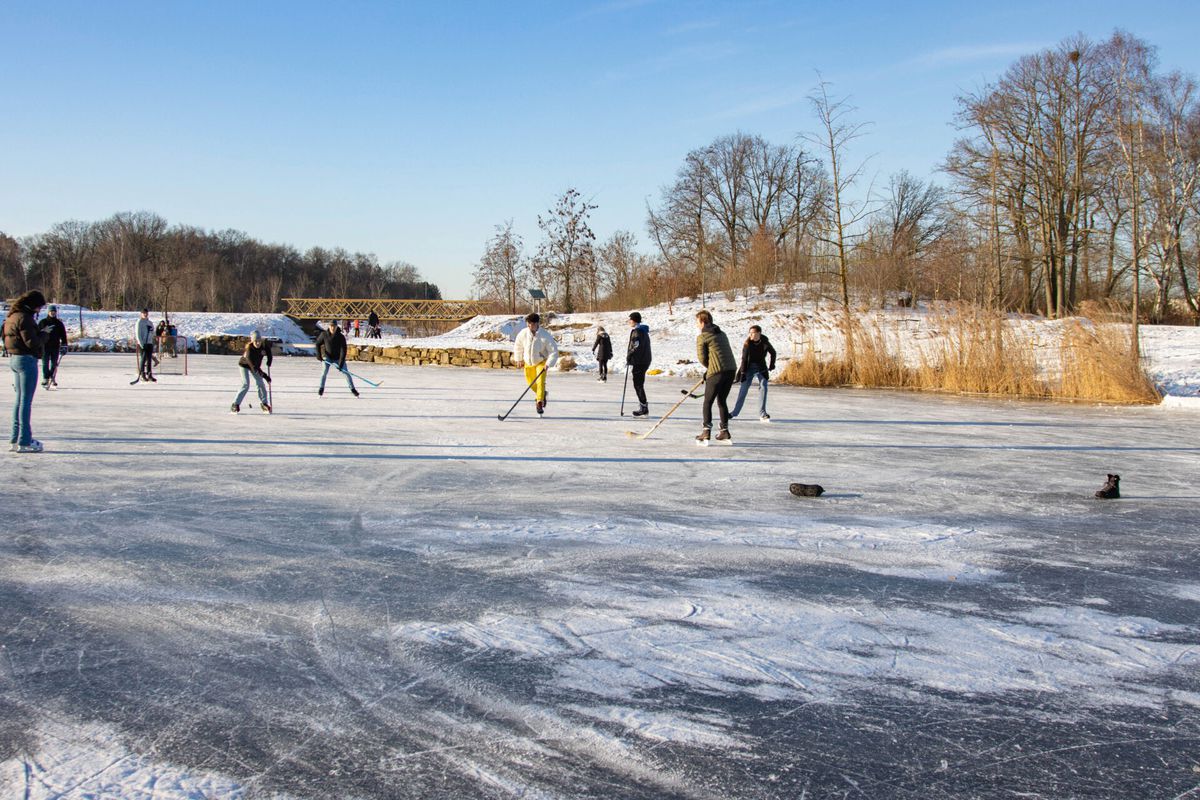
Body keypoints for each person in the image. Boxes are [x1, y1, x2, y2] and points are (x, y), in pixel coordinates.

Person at [3, 290, 47, 452]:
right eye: (39, 308)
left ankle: (15, 438)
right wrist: (43, 335)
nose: (39, 311)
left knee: (19, 400)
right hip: (26, 360)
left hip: (14, 359)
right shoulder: (25, 318)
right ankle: (25, 440)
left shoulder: (12, 316)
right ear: (33, 305)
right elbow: (32, 343)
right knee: (26, 401)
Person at [694, 309, 737, 444]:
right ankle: (724, 431)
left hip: (717, 372)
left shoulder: (702, 336)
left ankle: (706, 431)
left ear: (702, 321)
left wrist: (710, 368)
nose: (696, 324)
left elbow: (702, 357)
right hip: (730, 370)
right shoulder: (721, 333)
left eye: (697, 322)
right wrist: (711, 367)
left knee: (708, 402)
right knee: (722, 400)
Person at [512, 312, 558, 415]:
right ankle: (542, 395)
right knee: (531, 384)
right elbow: (518, 346)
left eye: (532, 324)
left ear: (537, 323)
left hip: (541, 362)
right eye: (528, 324)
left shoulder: (545, 335)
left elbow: (553, 351)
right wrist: (518, 359)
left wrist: (548, 363)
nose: (530, 326)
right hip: (528, 363)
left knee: (540, 382)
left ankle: (539, 403)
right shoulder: (523, 333)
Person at [730, 325, 777, 421]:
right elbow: (743, 359)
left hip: (761, 367)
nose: (751, 335)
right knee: (743, 390)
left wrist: (772, 364)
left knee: (764, 387)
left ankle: (762, 413)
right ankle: (734, 412)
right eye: (750, 333)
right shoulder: (747, 344)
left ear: (759, 333)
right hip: (748, 368)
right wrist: (743, 373)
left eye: (753, 333)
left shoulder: (765, 342)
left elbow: (773, 352)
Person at [232, 331, 273, 413]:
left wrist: (269, 360)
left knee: (260, 383)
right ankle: (235, 404)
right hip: (245, 365)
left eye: (259, 341)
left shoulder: (264, 346)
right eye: (256, 341)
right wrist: (265, 376)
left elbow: (269, 353)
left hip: (255, 366)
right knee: (246, 384)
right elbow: (254, 368)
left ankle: (264, 404)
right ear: (252, 341)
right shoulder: (249, 351)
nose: (258, 343)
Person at [315, 322, 358, 397]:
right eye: (331, 326)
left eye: (334, 326)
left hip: (338, 358)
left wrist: (341, 363)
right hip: (327, 357)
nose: (332, 328)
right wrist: (319, 355)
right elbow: (317, 343)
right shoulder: (324, 334)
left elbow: (343, 350)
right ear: (329, 326)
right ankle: (321, 388)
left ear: (336, 327)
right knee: (324, 372)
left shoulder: (341, 337)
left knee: (346, 373)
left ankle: (353, 389)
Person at [626, 311, 652, 416]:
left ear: (634, 320)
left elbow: (635, 346)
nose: (629, 321)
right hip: (644, 360)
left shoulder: (637, 331)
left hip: (640, 361)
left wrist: (629, 357)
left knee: (638, 384)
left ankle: (644, 407)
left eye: (630, 319)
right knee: (638, 384)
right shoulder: (643, 330)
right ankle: (643, 406)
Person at [37, 304, 69, 388]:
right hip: (45, 346)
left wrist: (64, 345)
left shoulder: (59, 323)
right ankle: (45, 378)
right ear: (48, 312)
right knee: (45, 363)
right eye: (51, 311)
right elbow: (37, 333)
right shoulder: (43, 322)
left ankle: (52, 376)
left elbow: (63, 335)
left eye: (54, 311)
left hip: (55, 346)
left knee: (54, 363)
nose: (53, 313)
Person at [135, 308, 156, 382]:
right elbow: (138, 334)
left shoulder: (149, 322)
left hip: (149, 343)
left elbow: (153, 332)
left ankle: (149, 375)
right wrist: (141, 343)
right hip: (143, 344)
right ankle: (142, 375)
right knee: (143, 360)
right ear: (141, 314)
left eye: (146, 313)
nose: (145, 314)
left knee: (149, 360)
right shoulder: (139, 322)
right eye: (144, 313)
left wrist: (151, 331)